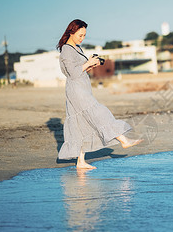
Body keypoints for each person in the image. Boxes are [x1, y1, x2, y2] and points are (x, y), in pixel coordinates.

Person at [56, 19, 143, 169]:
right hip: (76, 90)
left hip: (82, 87)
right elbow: (73, 73)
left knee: (80, 124)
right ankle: (123, 140)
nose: (82, 38)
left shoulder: (76, 48)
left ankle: (81, 162)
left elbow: (80, 70)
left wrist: (91, 64)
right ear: (71, 31)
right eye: (80, 35)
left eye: (84, 36)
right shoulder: (67, 49)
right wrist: (88, 63)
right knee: (98, 112)